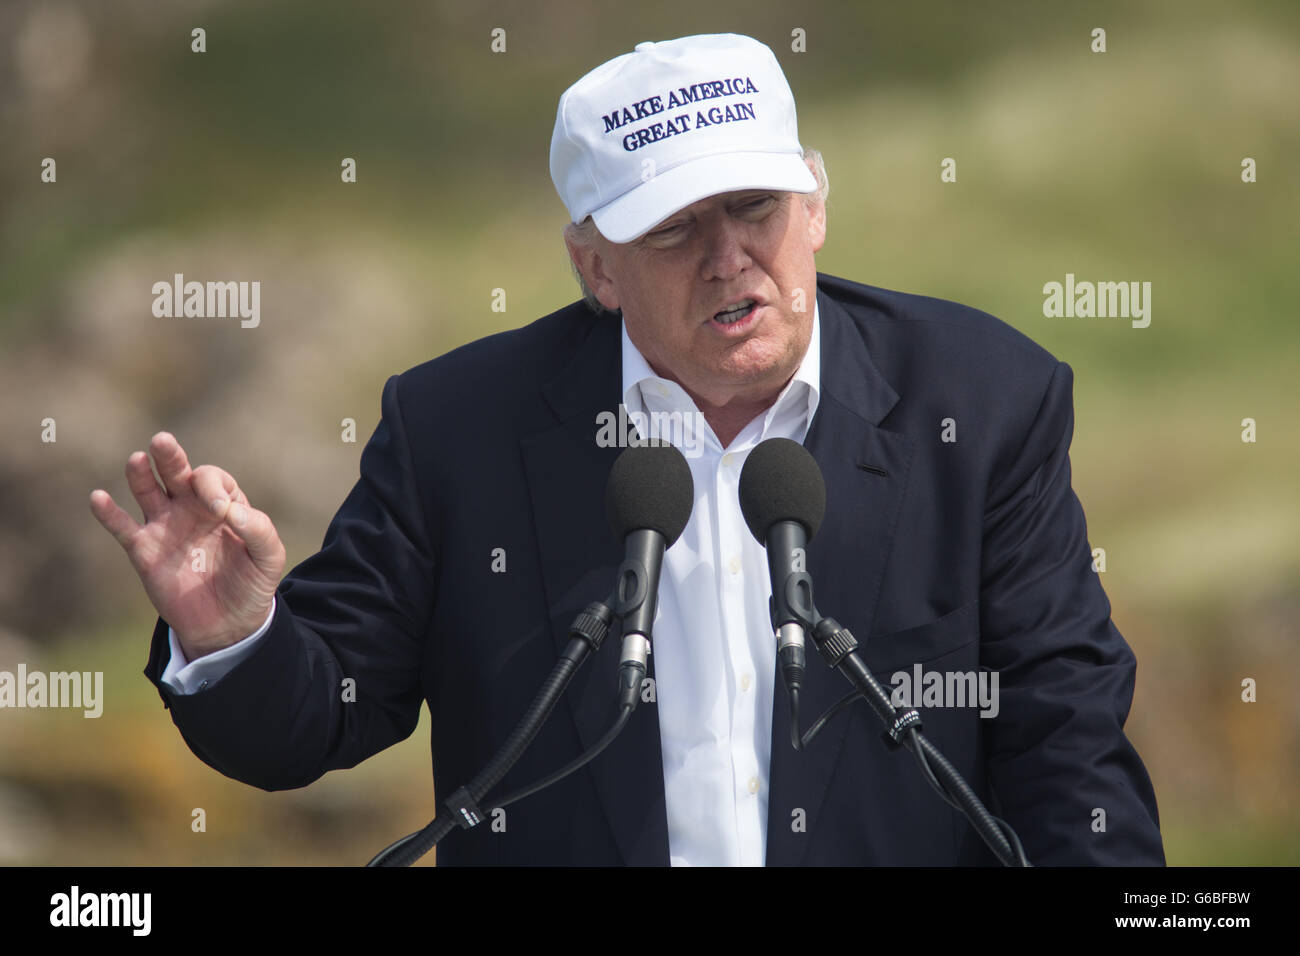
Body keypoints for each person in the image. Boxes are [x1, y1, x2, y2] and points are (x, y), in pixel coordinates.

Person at [90, 33, 1164, 865]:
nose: (727, 256)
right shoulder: (458, 429)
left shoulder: (979, 400)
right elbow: (315, 721)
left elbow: (1063, 741)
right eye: (672, 230)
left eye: (752, 206)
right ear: (593, 267)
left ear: (816, 202)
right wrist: (235, 635)